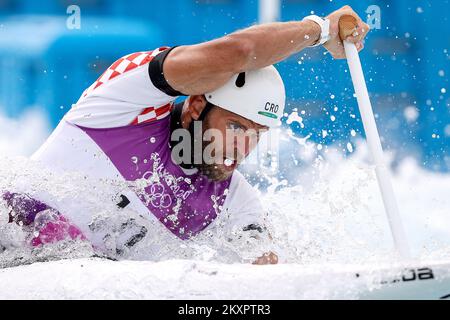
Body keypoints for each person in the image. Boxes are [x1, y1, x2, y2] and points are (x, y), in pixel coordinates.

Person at [2, 6, 369, 264]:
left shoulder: (235, 203)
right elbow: (238, 51)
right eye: (236, 126)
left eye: (257, 134)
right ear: (195, 106)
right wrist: (320, 29)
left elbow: (266, 283)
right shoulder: (122, 105)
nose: (243, 148)